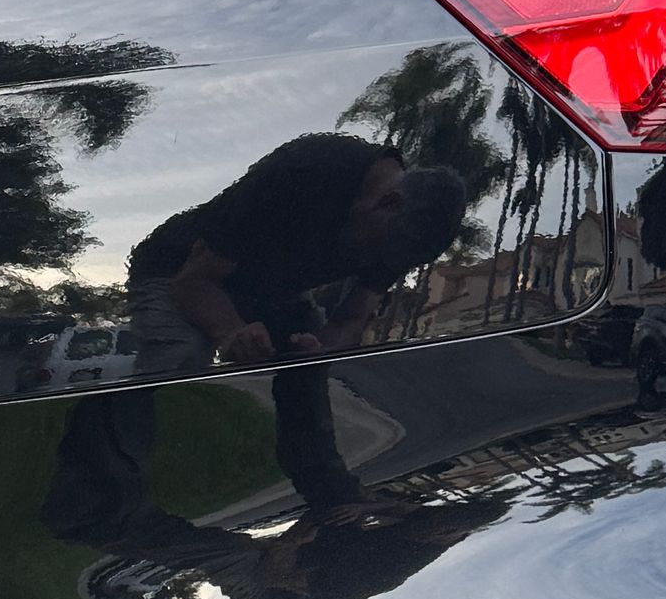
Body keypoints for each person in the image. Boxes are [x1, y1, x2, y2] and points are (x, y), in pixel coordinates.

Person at [43, 135, 471, 537]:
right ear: (386, 203)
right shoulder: (304, 170)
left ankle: (331, 494)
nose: (370, 261)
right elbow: (195, 282)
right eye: (373, 250)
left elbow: (352, 319)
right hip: (179, 267)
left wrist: (319, 345)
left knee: (306, 367)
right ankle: (93, 498)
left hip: (273, 288)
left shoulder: (405, 235)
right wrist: (230, 332)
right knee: (181, 354)